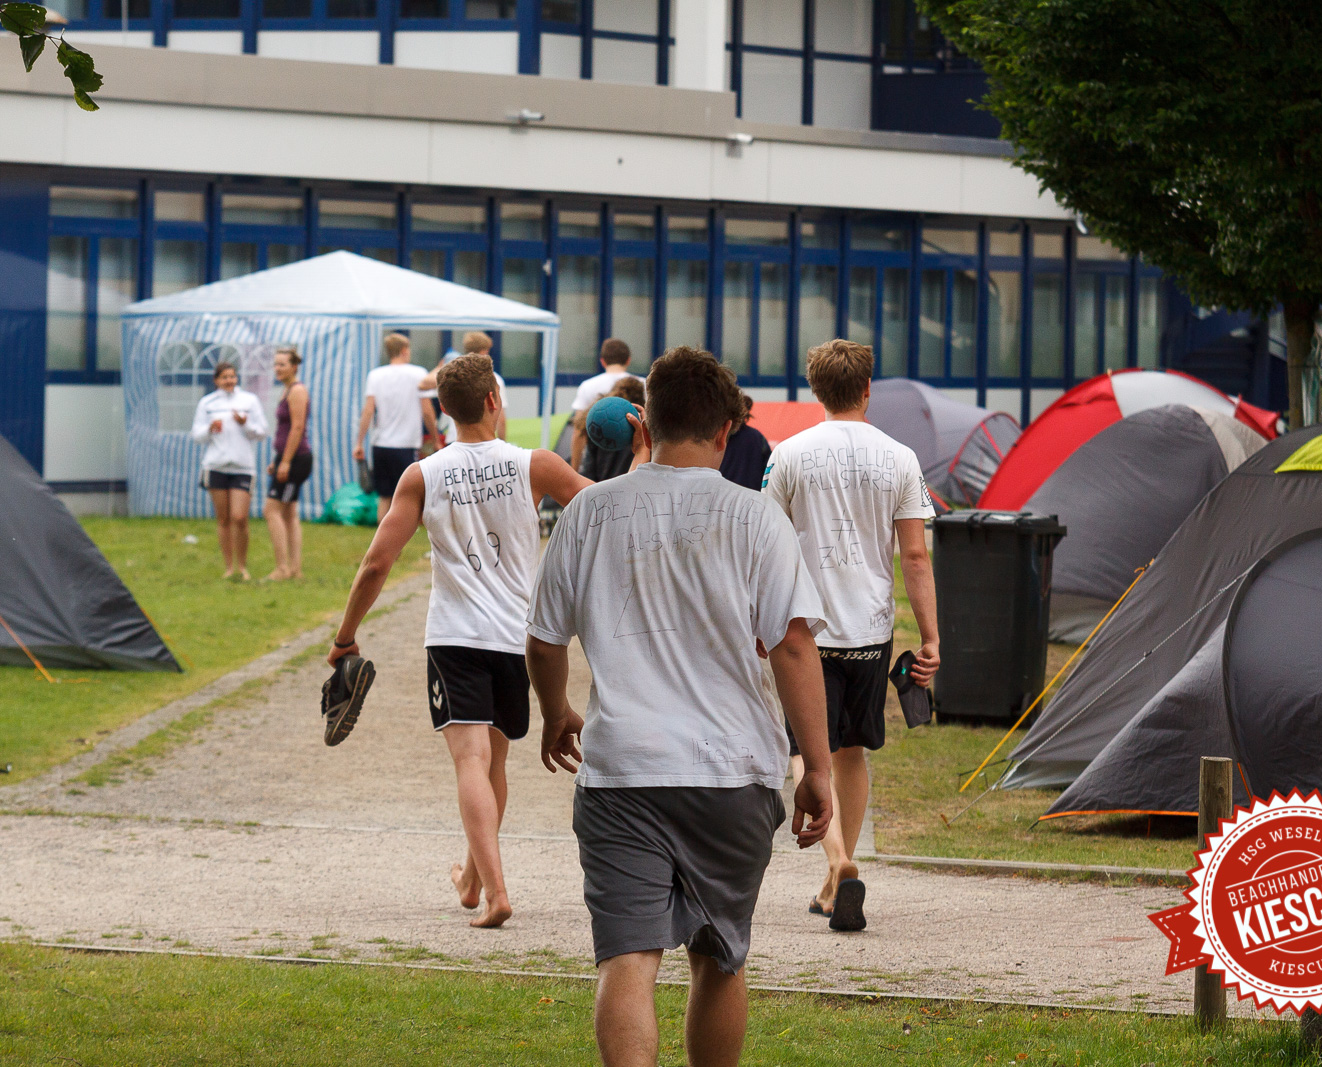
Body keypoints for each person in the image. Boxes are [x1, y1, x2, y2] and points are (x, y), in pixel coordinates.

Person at [527, 346, 834, 1067]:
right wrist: (817, 767)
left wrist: (557, 710)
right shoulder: (757, 518)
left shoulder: (588, 511)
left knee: (627, 958)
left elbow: (543, 639)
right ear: (727, 429)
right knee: (720, 955)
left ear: (645, 422)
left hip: (622, 773)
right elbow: (793, 646)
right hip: (733, 773)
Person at [327, 353, 588, 929]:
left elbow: (376, 563)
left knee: (470, 760)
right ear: (494, 400)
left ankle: (495, 891)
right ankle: (472, 880)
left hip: (455, 638)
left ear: (443, 409)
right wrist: (642, 456)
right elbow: (604, 505)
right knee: (494, 762)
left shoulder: (423, 474)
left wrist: (345, 636)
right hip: (517, 638)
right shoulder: (534, 464)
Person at [761, 339, 940, 931]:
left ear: (816, 391)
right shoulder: (901, 457)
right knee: (851, 752)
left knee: (803, 749)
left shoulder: (788, 454)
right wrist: (931, 637)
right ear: (867, 390)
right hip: (869, 630)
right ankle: (835, 883)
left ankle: (837, 862)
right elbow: (914, 555)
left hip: (804, 630)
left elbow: (766, 541)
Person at [191, 361, 270, 580]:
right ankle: (229, 567)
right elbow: (196, 435)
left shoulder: (249, 401)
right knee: (223, 519)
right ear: (216, 380)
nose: (229, 381)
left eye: (232, 376)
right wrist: (210, 428)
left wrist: (245, 424)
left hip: (243, 467)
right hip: (215, 465)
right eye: (224, 377)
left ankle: (242, 566)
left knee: (239, 517)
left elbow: (262, 432)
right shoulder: (207, 403)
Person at [356, 332, 437, 523]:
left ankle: (381, 537)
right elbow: (427, 411)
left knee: (385, 496)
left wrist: (359, 442)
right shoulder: (418, 373)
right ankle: (405, 534)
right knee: (410, 496)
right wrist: (435, 438)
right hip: (406, 444)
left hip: (380, 444)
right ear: (404, 350)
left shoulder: (375, 375)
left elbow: (368, 411)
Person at [265, 345, 312, 581]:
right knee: (289, 513)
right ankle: (295, 569)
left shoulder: (297, 391)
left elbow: (297, 427)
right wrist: (277, 460)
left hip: (295, 459)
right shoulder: (286, 390)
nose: (277, 368)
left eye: (282, 364)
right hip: (286, 457)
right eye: (276, 364)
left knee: (271, 510)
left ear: (294, 367)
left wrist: (285, 462)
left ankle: (282, 568)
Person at [569, 338, 641, 473]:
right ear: (628, 360)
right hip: (633, 461)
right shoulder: (643, 384)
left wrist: (574, 470)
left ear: (602, 361)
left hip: (599, 463)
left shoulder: (588, 386)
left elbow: (579, 431)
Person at [423, 334, 508, 445]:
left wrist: (440, 367)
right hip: (482, 440)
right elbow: (501, 419)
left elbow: (423, 384)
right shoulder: (494, 379)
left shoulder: (454, 376)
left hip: (455, 438)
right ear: (485, 351)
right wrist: (502, 444)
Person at [577, 376, 645, 484]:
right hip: (630, 486)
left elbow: (588, 469)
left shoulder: (598, 422)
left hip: (601, 487)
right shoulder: (642, 432)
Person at [718, 392, 770, 492]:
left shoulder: (716, 436)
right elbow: (769, 471)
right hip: (752, 496)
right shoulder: (757, 437)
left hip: (722, 495)